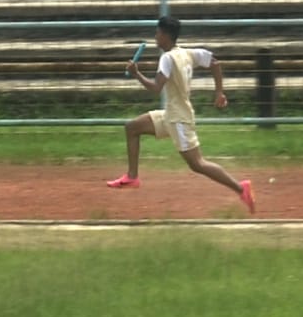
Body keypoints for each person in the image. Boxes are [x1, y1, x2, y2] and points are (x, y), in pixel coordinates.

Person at [107, 15, 256, 215]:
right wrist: (219, 91)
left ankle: (241, 188)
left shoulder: (167, 58)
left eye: (158, 33)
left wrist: (136, 74)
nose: (156, 37)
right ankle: (132, 177)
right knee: (132, 127)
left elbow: (155, 88)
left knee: (198, 164)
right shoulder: (187, 53)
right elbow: (215, 62)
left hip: (178, 119)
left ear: (166, 35)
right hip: (171, 114)